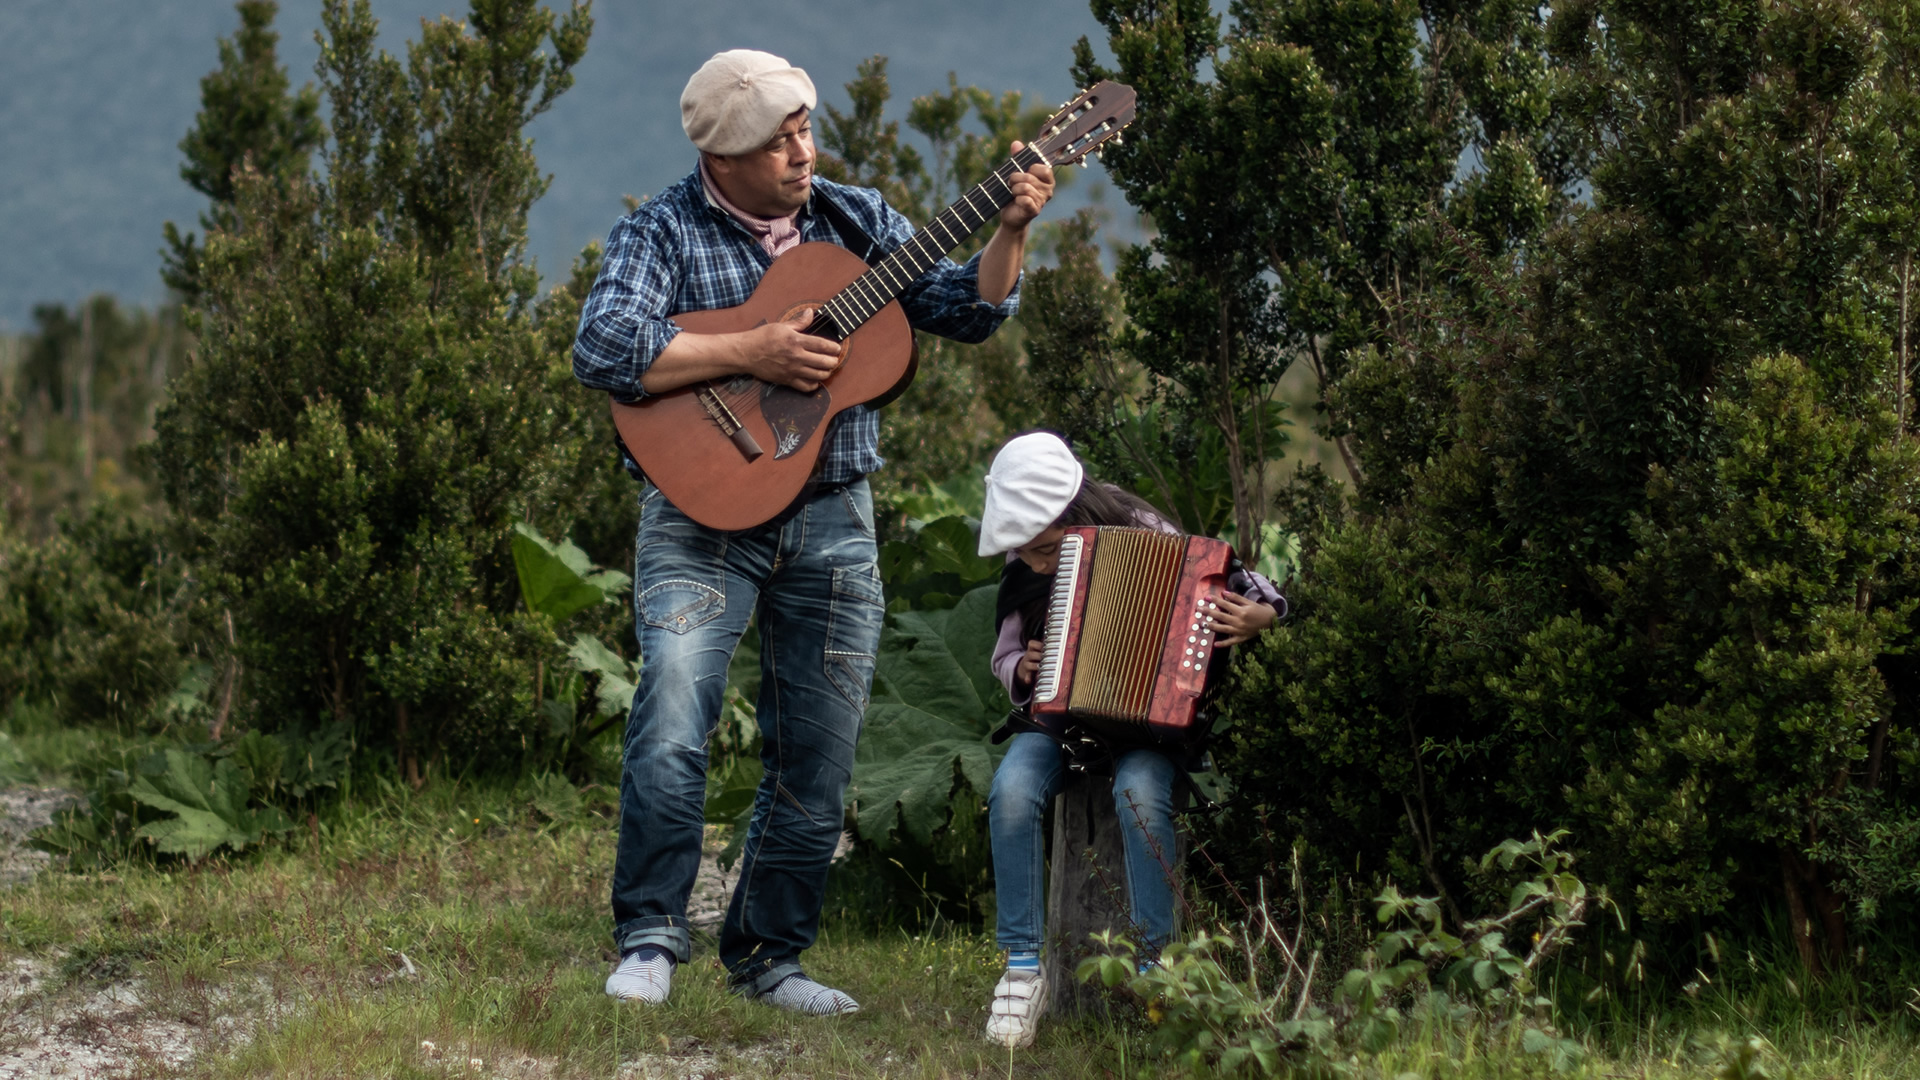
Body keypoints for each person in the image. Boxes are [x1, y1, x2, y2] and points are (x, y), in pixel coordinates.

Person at [572, 50, 1053, 1014]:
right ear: (721, 157)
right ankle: (650, 940)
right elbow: (604, 343)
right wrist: (754, 348)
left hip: (834, 515)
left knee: (821, 754)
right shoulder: (661, 230)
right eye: (777, 142)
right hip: (698, 515)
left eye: (803, 131)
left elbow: (964, 308)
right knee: (673, 719)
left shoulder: (854, 218)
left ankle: (770, 960)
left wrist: (1010, 230)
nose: (802, 153)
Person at [974, 432, 1283, 1048]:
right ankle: (1022, 969)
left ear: (1074, 515)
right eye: (1025, 554)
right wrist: (1024, 669)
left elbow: (1245, 583)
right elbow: (1004, 655)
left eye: (1044, 550)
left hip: (1151, 727)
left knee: (1140, 796)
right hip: (1062, 722)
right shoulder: (1024, 560)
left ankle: (1158, 968)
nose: (1036, 564)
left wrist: (1263, 615)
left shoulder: (1145, 529)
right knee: (1011, 791)